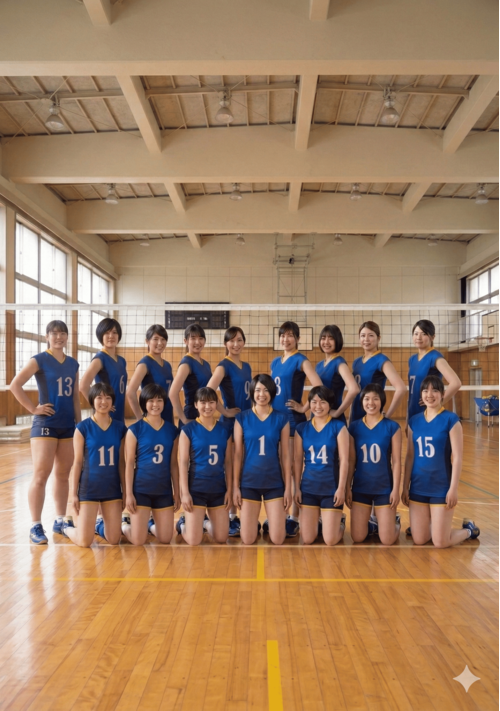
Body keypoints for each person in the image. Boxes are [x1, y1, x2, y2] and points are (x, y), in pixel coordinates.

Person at [10, 320, 81, 545]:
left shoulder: (73, 364)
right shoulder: (39, 359)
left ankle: (60, 520)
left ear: (67, 337)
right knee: (41, 474)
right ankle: (35, 525)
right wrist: (33, 409)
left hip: (68, 425)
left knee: (63, 474)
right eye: (54, 333)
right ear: (47, 337)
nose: (59, 337)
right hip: (45, 424)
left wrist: (80, 425)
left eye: (62, 333)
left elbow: (75, 398)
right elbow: (15, 385)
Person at [402, 375, 479, 548]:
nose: (430, 395)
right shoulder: (414, 421)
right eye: (425, 391)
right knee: (419, 540)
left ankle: (468, 530)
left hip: (441, 487)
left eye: (435, 390)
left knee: (440, 542)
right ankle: (431, 526)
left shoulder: (451, 419)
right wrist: (405, 487)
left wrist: (453, 489)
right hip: (418, 486)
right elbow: (410, 456)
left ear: (443, 394)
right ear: (421, 395)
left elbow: (457, 457)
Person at [271, 321, 322, 537]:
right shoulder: (275, 361)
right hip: (275, 422)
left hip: (292, 421)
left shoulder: (301, 360)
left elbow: (318, 386)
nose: (286, 339)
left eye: (290, 335)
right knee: (280, 468)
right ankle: (281, 514)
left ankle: (293, 517)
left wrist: (304, 407)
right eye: (283, 335)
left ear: (298, 339)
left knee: (292, 469)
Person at [62, 383, 126, 547]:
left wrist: (126, 491)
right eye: (99, 397)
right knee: (84, 542)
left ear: (113, 402)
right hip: (89, 488)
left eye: (108, 398)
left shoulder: (120, 428)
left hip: (112, 488)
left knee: (114, 539)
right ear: (92, 400)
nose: (103, 402)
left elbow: (122, 463)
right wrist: (73, 494)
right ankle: (66, 527)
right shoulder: (82, 428)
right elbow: (77, 463)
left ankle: (98, 526)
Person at [233, 374, 292, 545]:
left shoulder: (281, 418)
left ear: (272, 393)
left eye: (266, 390)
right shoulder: (242, 418)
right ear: (252, 392)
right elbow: (237, 455)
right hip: (249, 483)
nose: (262, 394)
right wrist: (236, 487)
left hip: (274, 483)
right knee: (248, 539)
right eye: (258, 390)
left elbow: (285, 455)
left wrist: (288, 489)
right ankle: (253, 524)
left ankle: (270, 524)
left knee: (278, 539)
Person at [207, 326, 252, 537]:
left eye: (239, 340)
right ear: (226, 343)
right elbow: (208, 391)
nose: (236, 344)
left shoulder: (246, 366)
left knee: (242, 467)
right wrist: (224, 411)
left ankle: (242, 514)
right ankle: (231, 516)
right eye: (231, 340)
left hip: (246, 423)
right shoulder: (223, 365)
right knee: (231, 468)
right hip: (230, 424)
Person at [122, 384, 179, 545]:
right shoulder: (135, 429)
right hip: (141, 490)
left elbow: (174, 464)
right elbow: (129, 463)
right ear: (144, 403)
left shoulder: (172, 430)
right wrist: (129, 494)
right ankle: (124, 525)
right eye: (151, 401)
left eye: (159, 400)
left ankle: (147, 525)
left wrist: (177, 492)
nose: (155, 404)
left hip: (163, 490)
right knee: (138, 541)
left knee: (166, 538)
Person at [346, 384, 402, 545]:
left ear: (382, 401)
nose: (371, 403)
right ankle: (374, 524)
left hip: (384, 488)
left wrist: (395, 490)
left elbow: (396, 461)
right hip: (360, 488)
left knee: (387, 540)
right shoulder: (354, 427)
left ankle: (394, 522)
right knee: (357, 537)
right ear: (362, 402)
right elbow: (351, 460)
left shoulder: (392, 427)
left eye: (375, 399)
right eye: (367, 399)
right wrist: (347, 487)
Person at [176, 387, 232, 545]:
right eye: (203, 402)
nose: (207, 406)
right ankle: (182, 524)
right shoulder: (188, 430)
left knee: (221, 538)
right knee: (194, 541)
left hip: (218, 489)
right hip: (196, 490)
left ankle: (205, 523)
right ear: (195, 404)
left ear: (216, 404)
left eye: (212, 402)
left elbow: (228, 462)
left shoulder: (225, 430)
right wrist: (185, 493)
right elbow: (183, 463)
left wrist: (229, 490)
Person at [294, 386, 349, 545]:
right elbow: (297, 460)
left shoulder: (338, 427)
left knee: (330, 540)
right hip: (309, 488)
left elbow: (344, 460)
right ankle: (321, 523)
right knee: (307, 539)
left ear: (330, 404)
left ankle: (339, 523)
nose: (318, 406)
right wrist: (297, 488)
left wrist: (341, 488)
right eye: (314, 402)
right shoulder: (301, 428)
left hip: (331, 489)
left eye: (323, 402)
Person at [350, 321, 406, 424]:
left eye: (371, 335)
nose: (366, 339)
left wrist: (387, 416)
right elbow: (354, 393)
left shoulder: (381, 360)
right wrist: (350, 418)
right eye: (363, 336)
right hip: (356, 416)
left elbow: (401, 388)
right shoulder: (356, 362)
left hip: (373, 416)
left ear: (378, 338)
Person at [408, 319, 461, 421]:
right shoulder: (412, 359)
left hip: (429, 412)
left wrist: (438, 402)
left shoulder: (435, 357)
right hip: (413, 412)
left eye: (424, 334)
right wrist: (407, 418)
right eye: (416, 334)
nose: (418, 337)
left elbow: (456, 383)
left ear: (432, 337)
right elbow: (411, 393)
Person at [80, 317, 127, 423]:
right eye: (107, 333)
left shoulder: (122, 361)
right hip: (105, 416)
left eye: (114, 332)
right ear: (101, 335)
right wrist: (99, 405)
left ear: (119, 335)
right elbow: (83, 386)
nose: (111, 336)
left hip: (119, 415)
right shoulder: (99, 359)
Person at [126, 324, 174, 424]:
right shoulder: (144, 364)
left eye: (163, 339)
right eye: (155, 339)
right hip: (152, 417)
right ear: (147, 341)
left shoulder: (167, 365)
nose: (160, 343)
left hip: (168, 416)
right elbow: (130, 392)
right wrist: (139, 418)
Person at [169, 324, 212, 427]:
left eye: (200, 338)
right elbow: (172, 393)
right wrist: (184, 419)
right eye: (193, 338)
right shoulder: (186, 364)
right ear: (186, 341)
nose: (197, 342)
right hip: (192, 415)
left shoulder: (206, 364)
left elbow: (211, 392)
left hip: (206, 414)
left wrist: (225, 412)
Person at [315, 325, 359, 423]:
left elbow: (354, 389)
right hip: (318, 415)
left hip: (333, 419)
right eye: (323, 338)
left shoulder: (339, 363)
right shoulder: (319, 365)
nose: (326, 342)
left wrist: (337, 413)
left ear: (337, 340)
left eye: (331, 338)